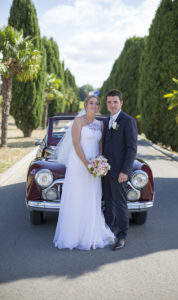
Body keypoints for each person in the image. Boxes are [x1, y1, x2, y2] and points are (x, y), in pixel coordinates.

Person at [53, 95, 115, 250]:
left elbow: (100, 144)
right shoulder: (78, 121)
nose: (94, 106)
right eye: (91, 103)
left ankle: (91, 232)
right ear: (86, 105)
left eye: (96, 104)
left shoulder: (100, 124)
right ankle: (74, 235)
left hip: (95, 164)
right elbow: (75, 143)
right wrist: (86, 164)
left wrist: (99, 162)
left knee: (92, 196)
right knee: (77, 196)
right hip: (79, 163)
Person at [102, 89, 138, 250]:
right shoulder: (105, 121)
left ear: (121, 103)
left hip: (119, 172)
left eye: (115, 101)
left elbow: (131, 149)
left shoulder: (128, 121)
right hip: (104, 170)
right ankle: (109, 229)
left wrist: (125, 171)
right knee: (108, 202)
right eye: (109, 102)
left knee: (120, 203)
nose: (112, 105)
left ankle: (122, 236)